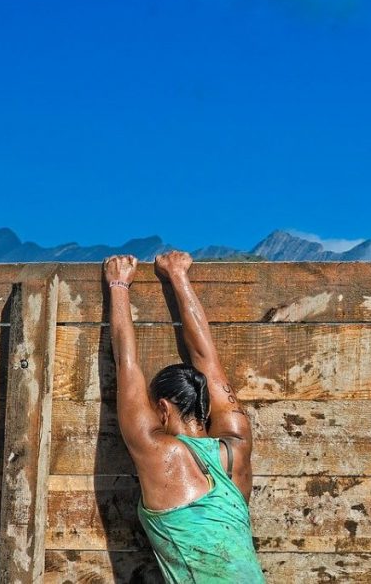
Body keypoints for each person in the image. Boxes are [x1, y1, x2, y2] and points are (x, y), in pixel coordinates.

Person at [103, 250, 266, 583]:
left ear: (162, 408)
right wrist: (178, 274)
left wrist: (119, 285)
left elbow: (127, 364)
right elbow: (208, 359)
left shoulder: (157, 452)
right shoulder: (237, 446)